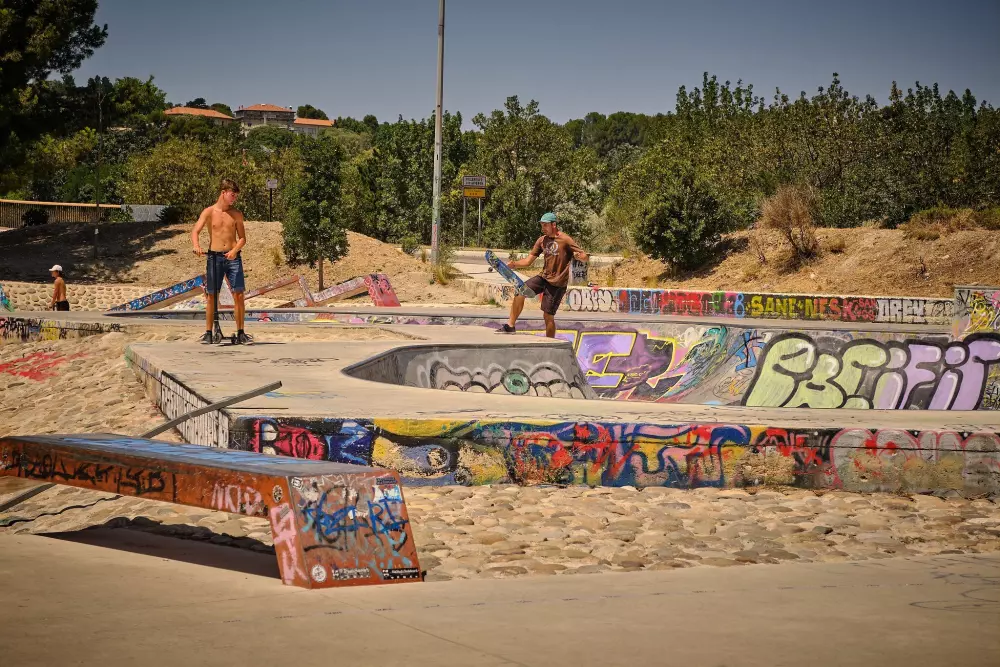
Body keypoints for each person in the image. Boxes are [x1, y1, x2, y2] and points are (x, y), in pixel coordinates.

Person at [500, 212, 589, 338]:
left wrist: (582, 257)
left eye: (545, 225)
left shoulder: (565, 240)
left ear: (554, 225)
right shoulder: (542, 240)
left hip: (557, 284)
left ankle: (550, 342)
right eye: (542, 225)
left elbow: (584, 256)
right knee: (520, 291)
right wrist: (514, 264)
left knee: (548, 315)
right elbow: (528, 261)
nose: (543, 228)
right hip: (543, 278)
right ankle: (510, 326)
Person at [191, 178, 250, 344]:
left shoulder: (236, 214)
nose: (234, 199)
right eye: (232, 195)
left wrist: (234, 251)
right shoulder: (209, 212)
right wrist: (196, 245)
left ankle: (240, 332)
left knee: (238, 294)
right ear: (223, 192)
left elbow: (243, 238)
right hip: (214, 256)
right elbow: (195, 231)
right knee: (211, 295)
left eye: (236, 196)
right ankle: (208, 332)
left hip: (232, 257)